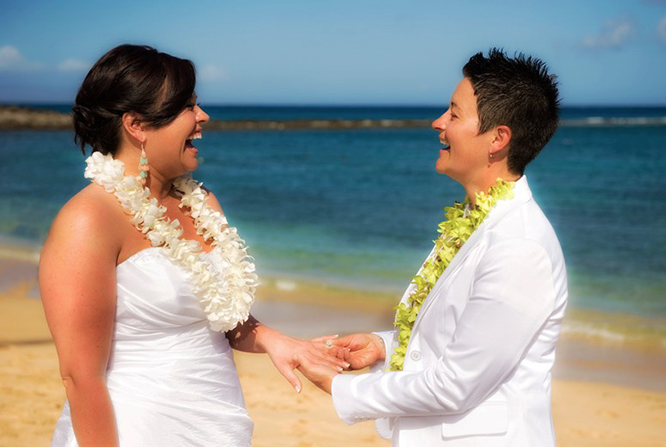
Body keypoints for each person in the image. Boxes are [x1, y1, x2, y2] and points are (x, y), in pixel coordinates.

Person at [39, 44, 347, 447]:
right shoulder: (88, 220)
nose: (203, 118)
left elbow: (220, 320)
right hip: (136, 428)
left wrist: (279, 342)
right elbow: (81, 377)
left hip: (217, 422)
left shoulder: (201, 202)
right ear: (137, 125)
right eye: (188, 106)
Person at [296, 48, 568, 446]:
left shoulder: (520, 247)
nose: (438, 123)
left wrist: (339, 388)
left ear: (498, 138)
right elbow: (455, 339)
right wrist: (382, 346)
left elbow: (456, 384)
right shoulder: (476, 220)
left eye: (454, 114)